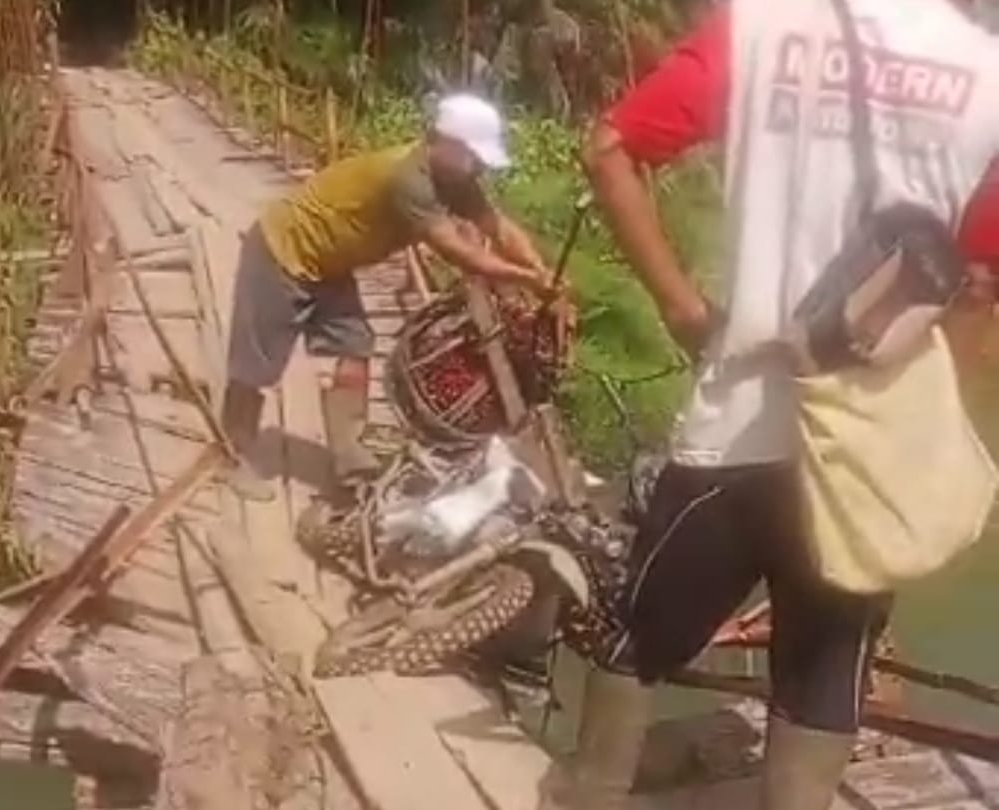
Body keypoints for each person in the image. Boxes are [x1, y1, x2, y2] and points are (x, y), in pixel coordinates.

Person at [541, 1, 999, 809]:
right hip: (869, 453)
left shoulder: (758, 26)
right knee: (824, 676)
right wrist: (931, 415)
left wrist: (685, 309)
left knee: (638, 633)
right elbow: (978, 281)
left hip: (742, 417)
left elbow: (609, 147)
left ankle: (588, 792)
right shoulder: (987, 73)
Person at [221, 93, 561, 501]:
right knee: (256, 365)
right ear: (448, 143)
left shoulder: (455, 181)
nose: (481, 167)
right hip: (283, 250)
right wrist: (525, 277)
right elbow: (458, 252)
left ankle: (349, 457)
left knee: (355, 346)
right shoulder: (409, 179)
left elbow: (498, 229)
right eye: (475, 156)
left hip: (329, 264)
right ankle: (235, 456)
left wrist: (542, 272)